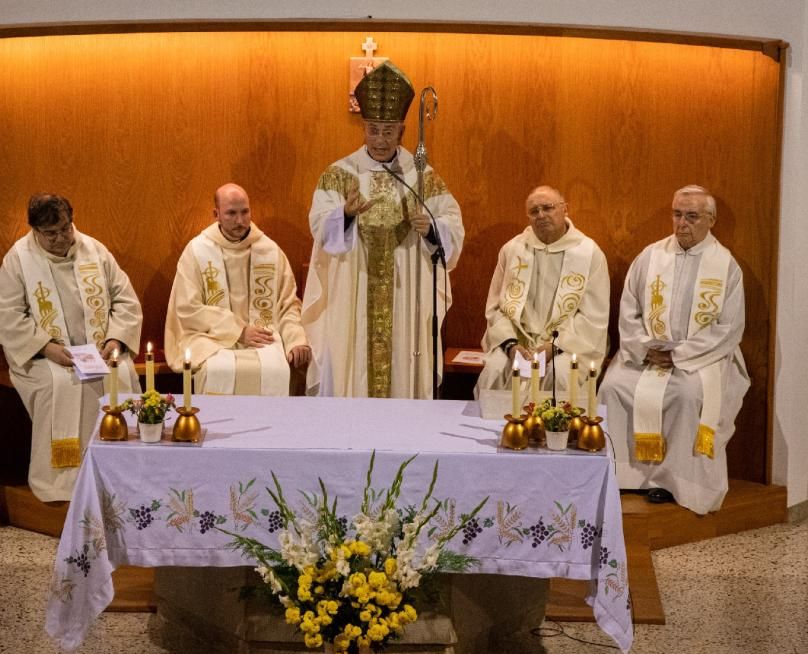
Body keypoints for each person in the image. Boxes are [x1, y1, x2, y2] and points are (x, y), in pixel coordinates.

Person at [303, 61, 464, 398]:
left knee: (403, 366)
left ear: (402, 131)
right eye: (373, 129)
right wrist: (343, 215)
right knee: (351, 365)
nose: (379, 139)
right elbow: (319, 226)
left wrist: (431, 229)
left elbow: (452, 225)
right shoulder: (338, 173)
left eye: (388, 131)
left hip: (405, 296)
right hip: (353, 288)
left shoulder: (421, 174)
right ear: (363, 128)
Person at [600, 185, 749, 514]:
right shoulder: (651, 256)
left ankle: (670, 482)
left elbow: (728, 328)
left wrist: (677, 355)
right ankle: (623, 474)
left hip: (699, 360)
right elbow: (629, 309)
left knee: (684, 395)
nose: (682, 223)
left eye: (692, 216)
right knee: (612, 387)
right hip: (645, 354)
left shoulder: (725, 267)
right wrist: (644, 348)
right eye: (677, 214)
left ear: (710, 220)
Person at [0, 194, 142, 502]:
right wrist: (46, 348)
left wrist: (115, 339)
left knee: (121, 377)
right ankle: (63, 485)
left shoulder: (95, 250)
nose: (61, 238)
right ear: (35, 230)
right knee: (60, 385)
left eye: (65, 228)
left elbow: (125, 300)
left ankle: (123, 475)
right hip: (47, 356)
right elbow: (8, 315)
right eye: (51, 234)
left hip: (99, 350)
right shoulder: (18, 259)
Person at [165, 183, 311, 395]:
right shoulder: (197, 251)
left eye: (245, 212)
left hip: (264, 335)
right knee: (218, 369)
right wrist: (238, 331)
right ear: (216, 214)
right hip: (211, 339)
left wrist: (296, 340)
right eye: (231, 213)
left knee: (276, 368)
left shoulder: (269, 250)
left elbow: (288, 304)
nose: (240, 221)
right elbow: (187, 308)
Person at [477, 186, 610, 399]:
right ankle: (500, 431)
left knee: (561, 375)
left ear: (566, 209)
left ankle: (554, 432)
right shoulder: (513, 250)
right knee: (493, 372)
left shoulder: (588, 253)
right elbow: (496, 307)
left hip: (567, 345)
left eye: (548, 208)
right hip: (518, 342)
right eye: (534, 211)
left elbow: (594, 316)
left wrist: (552, 347)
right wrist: (511, 345)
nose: (541, 215)